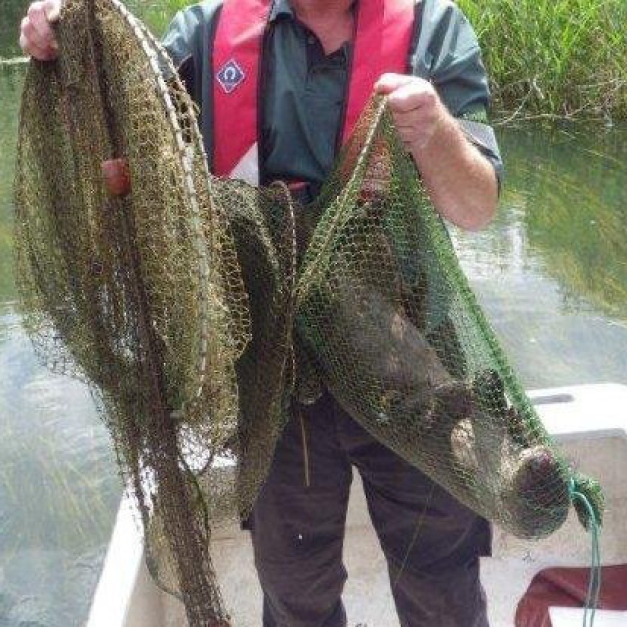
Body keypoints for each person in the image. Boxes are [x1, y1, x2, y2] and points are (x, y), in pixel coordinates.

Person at [20, 1, 503, 625]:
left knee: (443, 581)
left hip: (412, 370)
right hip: (275, 378)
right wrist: (65, 40)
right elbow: (119, 140)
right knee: (294, 588)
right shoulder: (207, 31)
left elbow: (477, 207)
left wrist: (435, 130)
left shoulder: (434, 28)